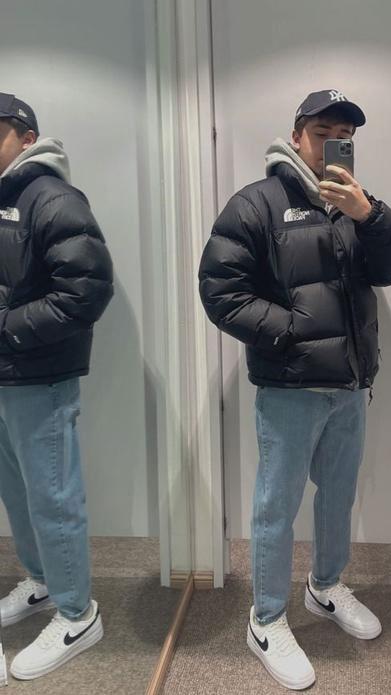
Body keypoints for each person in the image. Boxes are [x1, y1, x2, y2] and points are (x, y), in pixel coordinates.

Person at [198, 89, 391, 690]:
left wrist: (368, 214)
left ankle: (325, 587)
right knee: (276, 506)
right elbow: (220, 290)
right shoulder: (256, 204)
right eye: (323, 133)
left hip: (349, 386)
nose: (333, 146)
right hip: (290, 388)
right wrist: (293, 332)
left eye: (345, 137)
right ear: (296, 135)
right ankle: (266, 619)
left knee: (336, 496)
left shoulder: (355, 205)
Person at [0, 93, 113, 680]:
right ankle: (43, 581)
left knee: (53, 497)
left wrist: (7, 329)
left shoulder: (53, 197)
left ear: (26, 137)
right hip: (6, 373)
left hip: (38, 375)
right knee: (18, 493)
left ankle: (78, 613)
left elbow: (87, 290)